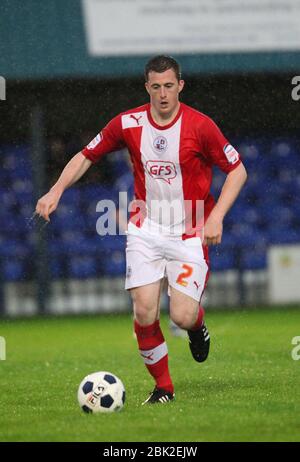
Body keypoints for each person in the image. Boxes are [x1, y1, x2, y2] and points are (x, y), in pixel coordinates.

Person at [35, 55, 247, 405]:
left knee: (182, 314)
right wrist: (56, 189)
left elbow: (237, 171)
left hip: (190, 230)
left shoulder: (201, 126)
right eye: (155, 86)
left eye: (169, 86)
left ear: (180, 86)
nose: (163, 94)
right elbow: (87, 154)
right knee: (144, 310)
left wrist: (217, 215)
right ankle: (164, 388)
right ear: (146, 87)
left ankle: (197, 326)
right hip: (145, 229)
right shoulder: (128, 122)